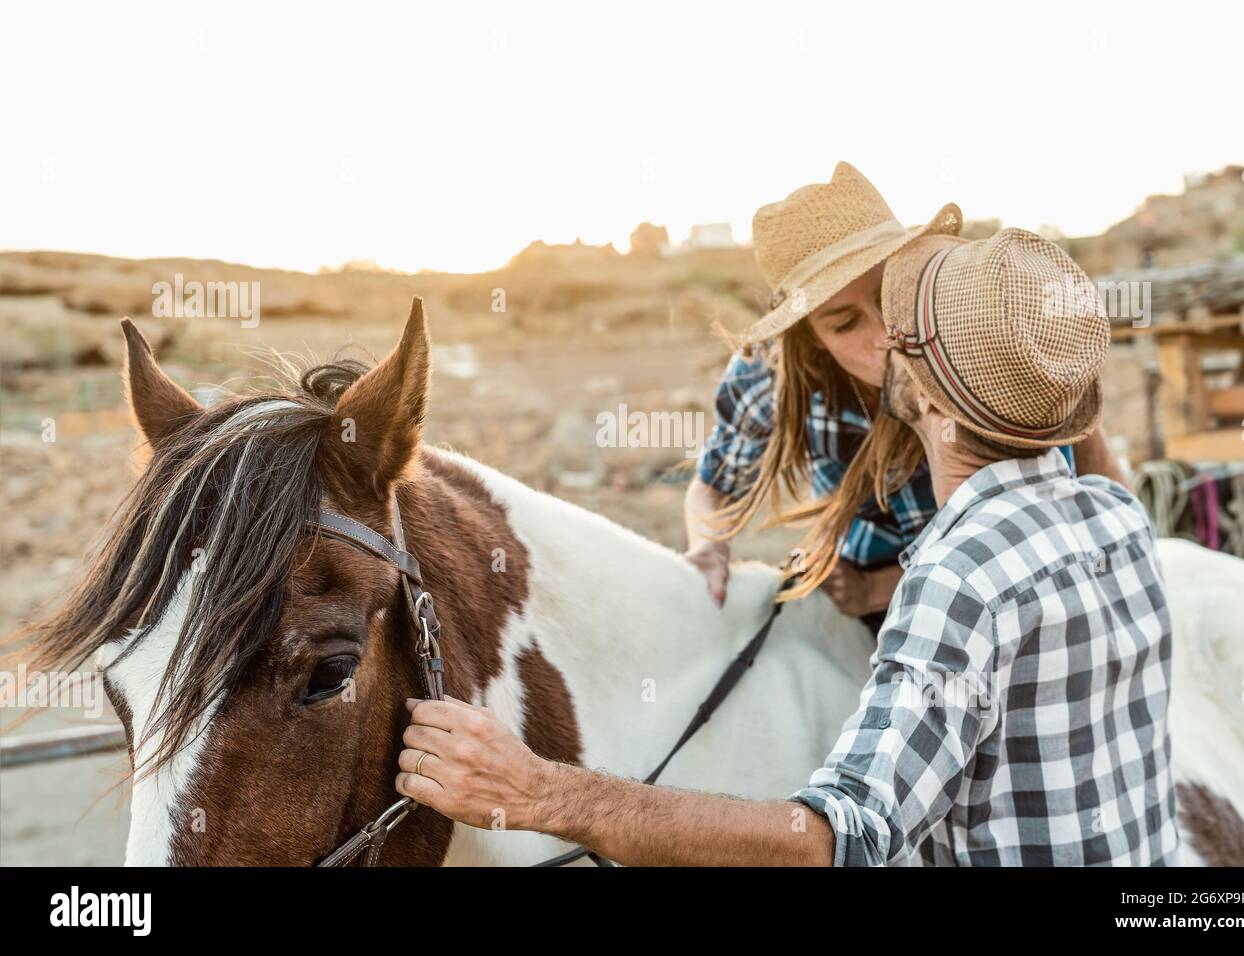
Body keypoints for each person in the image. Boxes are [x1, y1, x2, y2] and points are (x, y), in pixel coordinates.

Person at [394, 224, 1179, 866]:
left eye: (898, 326)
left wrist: (540, 793)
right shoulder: (1114, 513)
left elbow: (835, 841)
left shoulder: (957, 574)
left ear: (928, 388)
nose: (880, 343)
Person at [681, 163, 1125, 632]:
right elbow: (713, 485)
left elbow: (1092, 509)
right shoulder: (768, 379)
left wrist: (877, 588)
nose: (886, 334)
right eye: (845, 323)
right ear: (811, 340)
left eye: (890, 292)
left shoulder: (976, 329)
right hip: (885, 614)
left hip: (1032, 592)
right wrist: (709, 547)